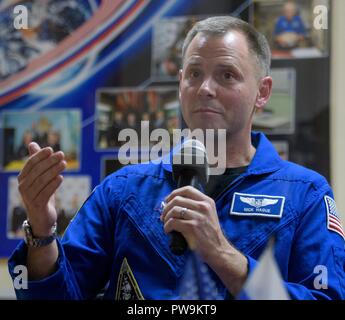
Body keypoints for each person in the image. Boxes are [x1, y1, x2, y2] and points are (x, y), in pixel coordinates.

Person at [8, 16, 345, 300]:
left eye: (227, 75)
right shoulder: (122, 191)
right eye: (195, 74)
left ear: (263, 92)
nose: (205, 88)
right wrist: (41, 230)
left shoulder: (306, 194)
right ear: (181, 82)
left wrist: (224, 256)